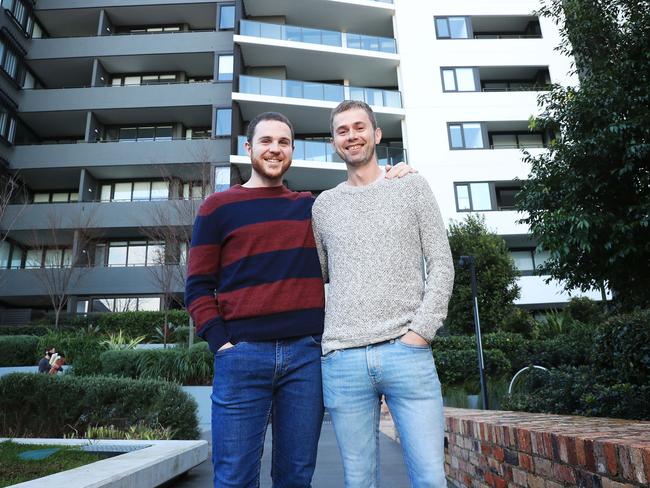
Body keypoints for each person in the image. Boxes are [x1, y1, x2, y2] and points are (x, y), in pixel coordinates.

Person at [185, 111, 413, 488]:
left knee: (295, 477)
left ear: (292, 149)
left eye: (284, 142)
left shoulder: (313, 208)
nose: (275, 149)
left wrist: (395, 177)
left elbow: (360, 212)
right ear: (249, 148)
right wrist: (222, 344)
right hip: (241, 357)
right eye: (266, 141)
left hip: (305, 360)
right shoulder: (217, 207)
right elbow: (196, 287)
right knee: (233, 478)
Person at [312, 100, 455, 488]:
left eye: (360, 127)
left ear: (376, 135)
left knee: (429, 478)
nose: (351, 135)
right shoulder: (323, 207)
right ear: (334, 142)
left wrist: (421, 332)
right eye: (342, 130)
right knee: (359, 481)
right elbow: (319, 278)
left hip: (406, 352)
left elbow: (442, 263)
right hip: (343, 361)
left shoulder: (411, 186)